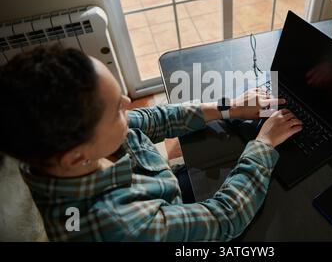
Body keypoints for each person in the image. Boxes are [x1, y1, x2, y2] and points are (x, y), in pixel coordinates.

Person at [0, 44, 302, 241]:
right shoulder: (123, 225)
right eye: (117, 110)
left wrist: (228, 107)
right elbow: (224, 217)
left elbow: (150, 119)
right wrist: (263, 144)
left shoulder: (65, 147)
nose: (128, 102)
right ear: (78, 158)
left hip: (166, 202)